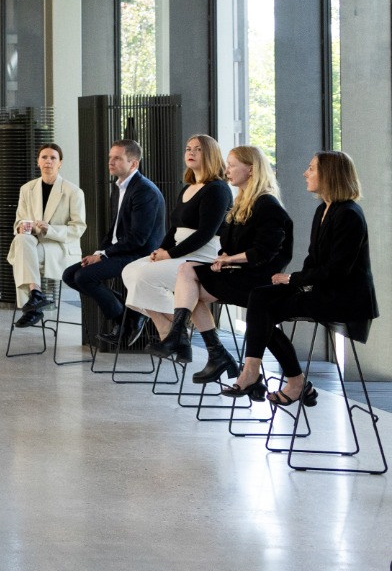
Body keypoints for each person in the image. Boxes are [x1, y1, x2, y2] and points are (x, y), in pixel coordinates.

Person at [224, 151, 379, 408]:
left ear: (330, 174)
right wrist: (295, 282)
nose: (305, 173)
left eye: (312, 168)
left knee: (264, 312)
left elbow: (337, 270)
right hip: (322, 288)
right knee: (259, 297)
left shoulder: (349, 214)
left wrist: (294, 280)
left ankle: (281, 379)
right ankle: (273, 376)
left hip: (344, 297)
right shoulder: (323, 209)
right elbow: (314, 259)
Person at [169, 146, 293, 379]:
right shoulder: (242, 203)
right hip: (237, 273)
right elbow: (231, 244)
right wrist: (224, 257)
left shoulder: (267, 204)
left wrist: (229, 259)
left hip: (257, 280)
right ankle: (205, 348)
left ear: (251, 169)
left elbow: (264, 252)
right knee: (187, 277)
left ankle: (200, 345)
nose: (227, 170)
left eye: (232, 165)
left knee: (189, 286)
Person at [122, 135, 232, 356]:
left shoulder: (217, 189)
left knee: (143, 276)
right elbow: (174, 229)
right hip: (179, 252)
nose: (191, 153)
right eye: (188, 148)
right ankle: (171, 329)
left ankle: (172, 333)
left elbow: (205, 233)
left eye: (198, 149)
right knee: (130, 271)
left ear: (210, 154)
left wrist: (170, 254)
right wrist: (161, 251)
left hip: (202, 255)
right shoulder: (188, 188)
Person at [62, 140, 166, 347]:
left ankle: (125, 320)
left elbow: (138, 238)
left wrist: (104, 255)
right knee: (70, 275)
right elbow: (115, 230)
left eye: (117, 158)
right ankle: (132, 313)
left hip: (141, 254)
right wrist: (100, 252)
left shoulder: (144, 191)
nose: (110, 161)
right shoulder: (119, 188)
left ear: (133, 164)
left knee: (84, 277)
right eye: (110, 157)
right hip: (121, 250)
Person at [6, 143, 88, 328]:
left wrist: (49, 229)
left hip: (59, 246)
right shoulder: (27, 189)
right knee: (21, 239)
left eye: (53, 158)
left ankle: (33, 307)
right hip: (33, 244)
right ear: (38, 161)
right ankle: (36, 294)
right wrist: (23, 227)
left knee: (22, 255)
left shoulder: (73, 191)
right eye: (44, 157)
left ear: (60, 163)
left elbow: (78, 228)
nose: (48, 161)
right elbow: (19, 221)